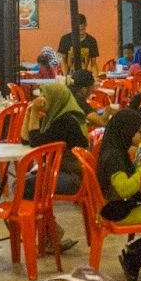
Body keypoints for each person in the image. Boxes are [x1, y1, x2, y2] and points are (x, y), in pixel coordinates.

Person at [20, 82, 88, 250]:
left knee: (25, 186)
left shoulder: (66, 121)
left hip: (74, 178)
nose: (40, 99)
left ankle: (51, 232)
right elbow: (25, 140)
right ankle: (51, 233)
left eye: (44, 95)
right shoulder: (54, 118)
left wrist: (35, 111)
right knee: (24, 185)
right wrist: (30, 111)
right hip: (61, 172)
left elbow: (35, 143)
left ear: (55, 98)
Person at [97, 109, 141, 228]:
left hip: (119, 207)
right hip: (118, 213)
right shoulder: (113, 157)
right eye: (140, 131)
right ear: (127, 131)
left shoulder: (116, 148)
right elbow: (124, 190)